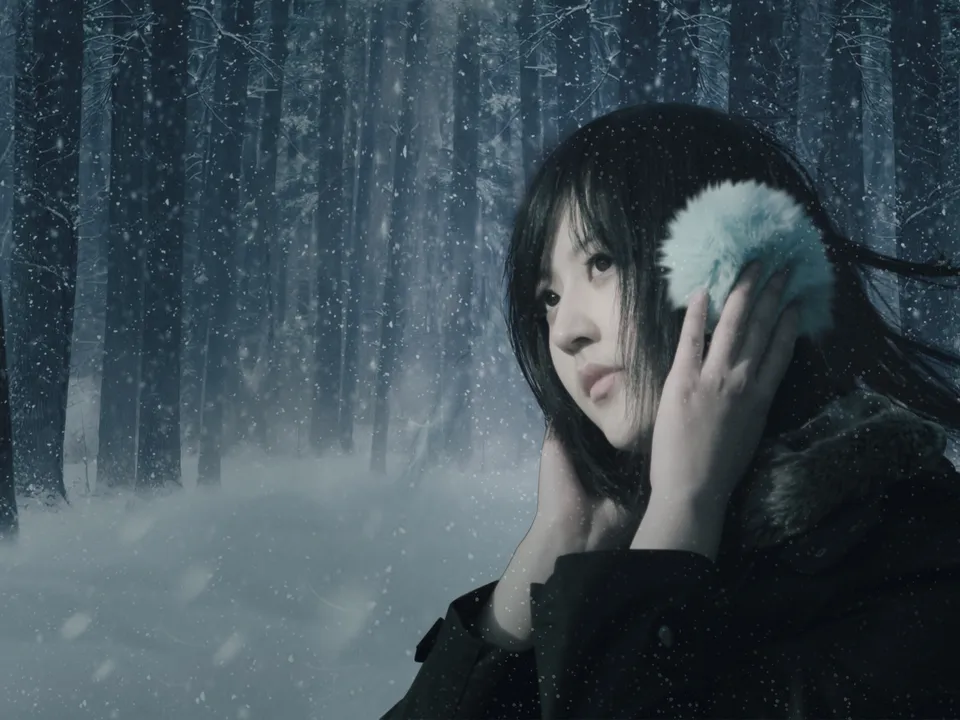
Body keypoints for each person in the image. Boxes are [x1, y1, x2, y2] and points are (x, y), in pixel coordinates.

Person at [380, 103, 960, 719]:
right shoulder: (605, 560)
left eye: (602, 261)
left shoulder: (919, 560)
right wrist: (554, 545)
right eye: (548, 295)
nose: (566, 331)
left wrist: (683, 508)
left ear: (740, 266)